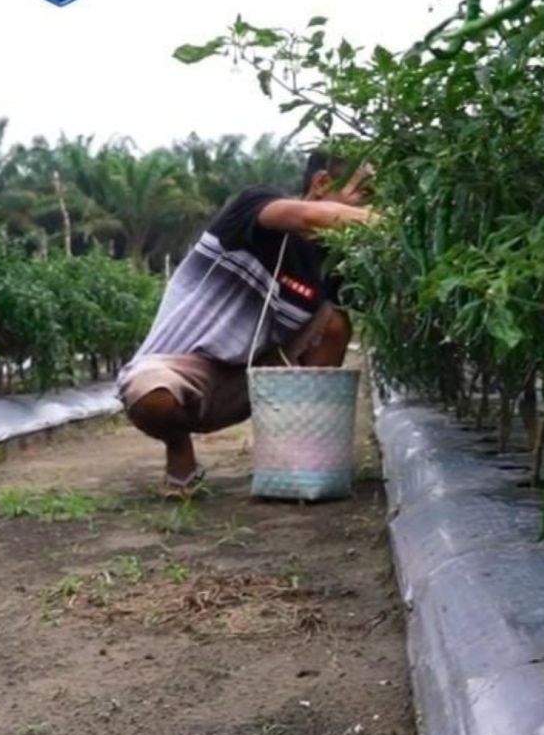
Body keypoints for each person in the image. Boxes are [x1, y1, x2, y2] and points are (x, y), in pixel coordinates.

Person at [117, 150, 376, 498]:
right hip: (180, 369)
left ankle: (299, 457)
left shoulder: (332, 266)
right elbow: (311, 216)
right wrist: (399, 227)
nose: (370, 209)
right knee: (151, 395)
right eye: (365, 195)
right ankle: (179, 450)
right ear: (321, 183)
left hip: (257, 379)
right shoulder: (254, 208)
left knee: (335, 321)